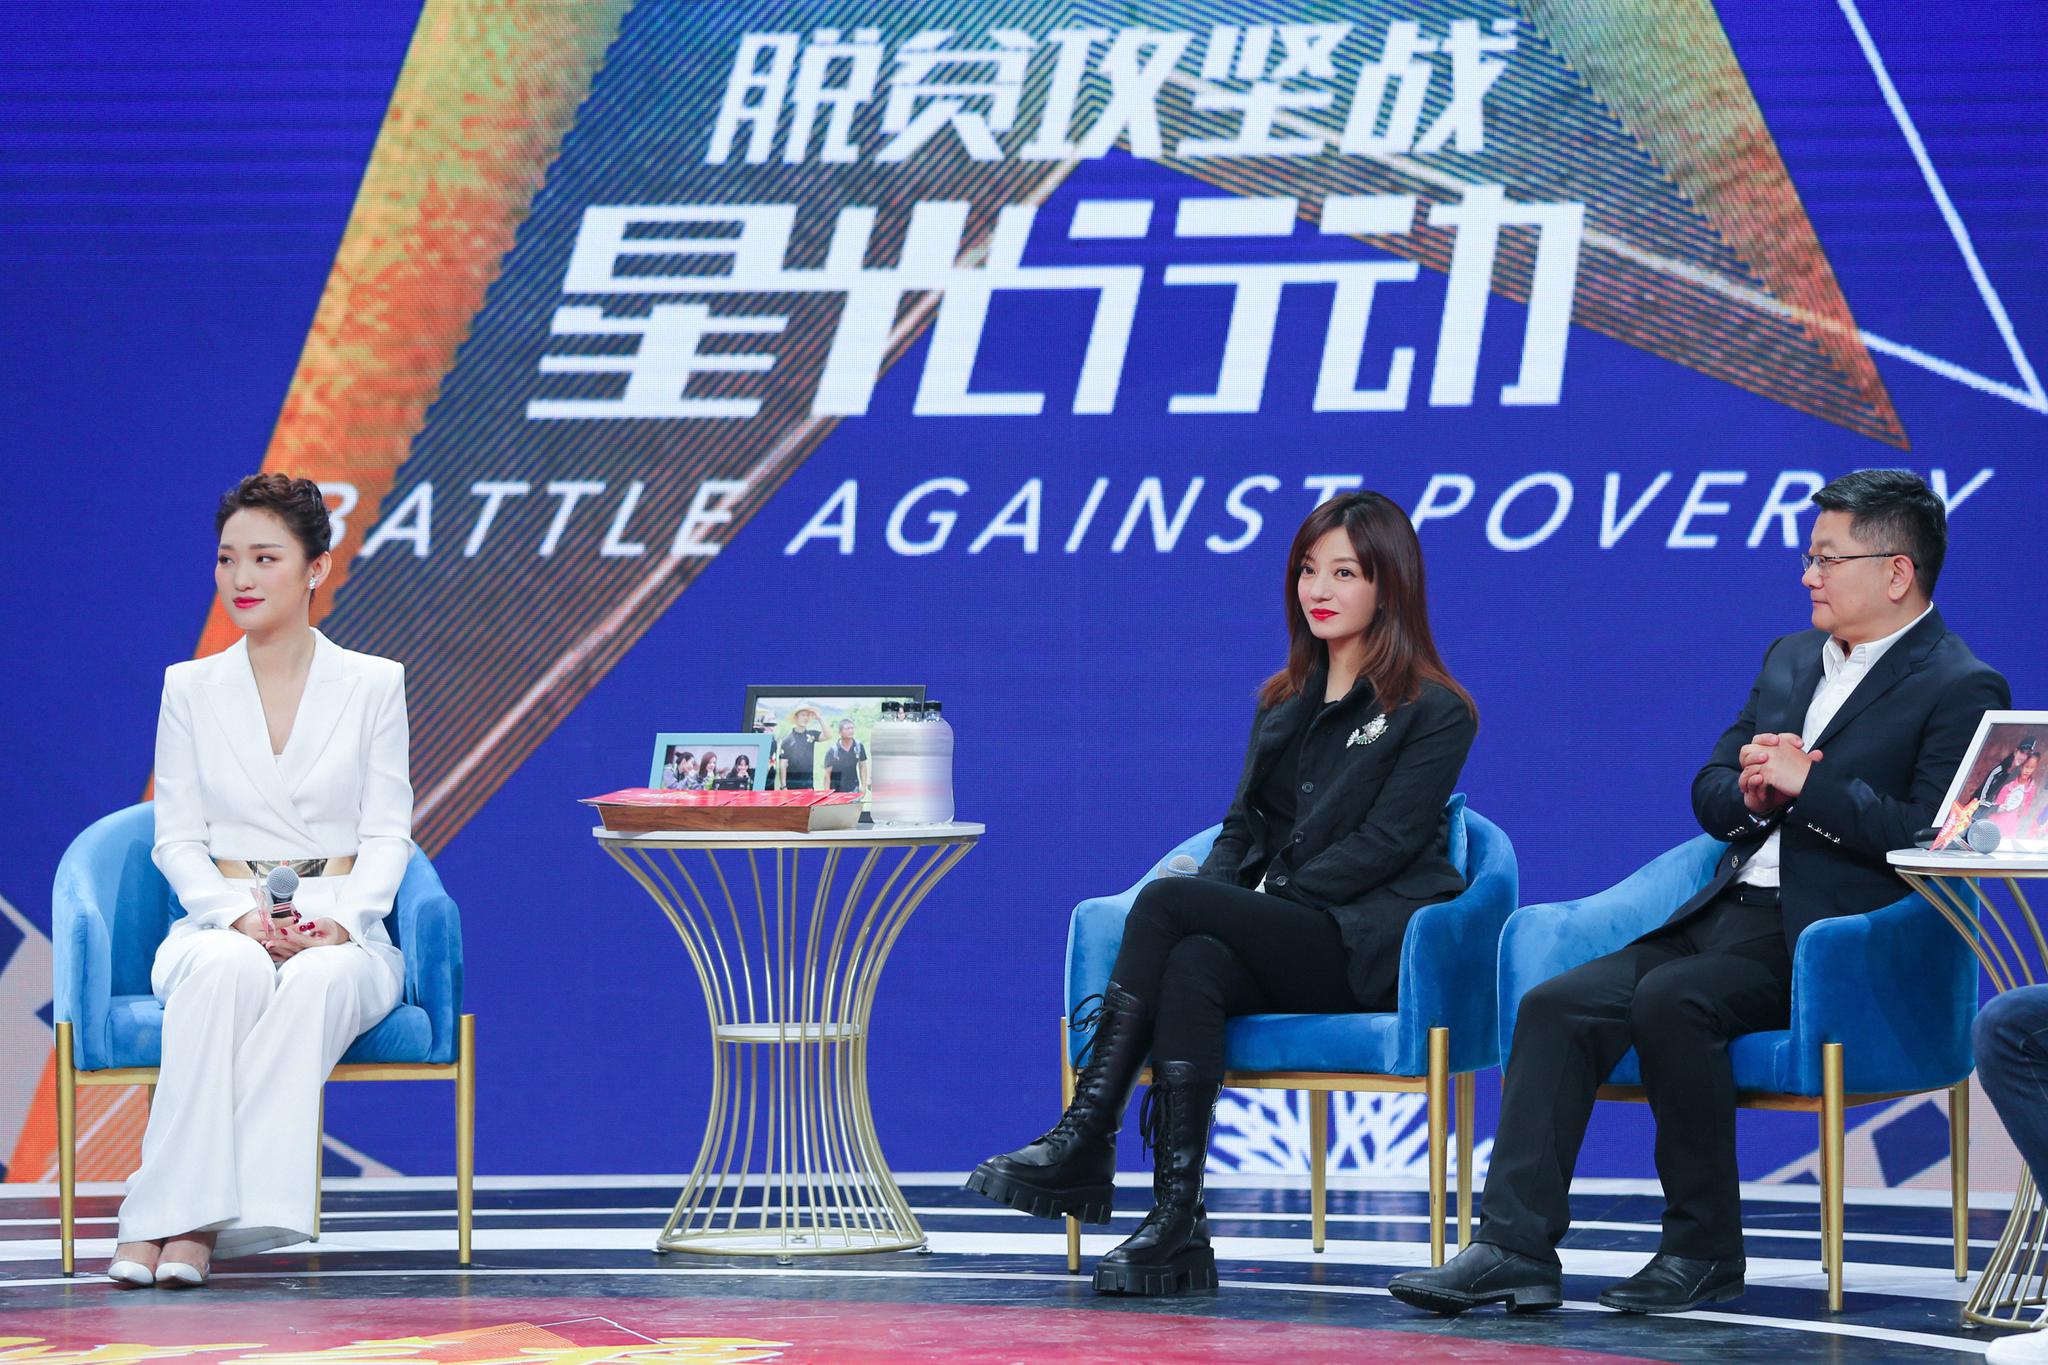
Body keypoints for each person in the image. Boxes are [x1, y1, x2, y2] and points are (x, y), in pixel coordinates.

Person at [1391, 469, 2008, 1317]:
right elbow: (1712, 783)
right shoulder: (1791, 657)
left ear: (1896, 571)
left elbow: (1930, 837)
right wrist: (1750, 795)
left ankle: (1702, 1248)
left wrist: (1808, 787)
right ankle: (1514, 1248)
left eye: (1827, 558)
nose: (1808, 575)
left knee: (1675, 1000)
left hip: (1834, 937)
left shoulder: (1960, 683)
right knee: (1556, 1004)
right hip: (1725, 908)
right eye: (1809, 557)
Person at [966, 491, 1478, 1297]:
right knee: (1193, 958)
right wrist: (1229, 899)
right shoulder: (1282, 703)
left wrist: (1266, 894)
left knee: (1169, 905)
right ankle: (1178, 1222)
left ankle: (1087, 1135)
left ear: (1390, 585)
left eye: (1345, 572)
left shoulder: (1435, 710)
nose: (1319, 589)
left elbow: (1387, 844)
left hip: (1358, 943)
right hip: (1279, 931)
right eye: (1308, 569)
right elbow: (1240, 829)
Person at [107, 473, 414, 1288]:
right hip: (220, 919)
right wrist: (233, 917)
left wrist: (345, 922)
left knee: (316, 980)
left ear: (316, 568)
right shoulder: (190, 686)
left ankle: (183, 1220)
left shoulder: (374, 682)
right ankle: (189, 1216)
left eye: (265, 557)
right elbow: (176, 839)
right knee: (225, 970)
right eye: (227, 558)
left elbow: (388, 833)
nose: (240, 577)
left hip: (344, 927)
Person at [1975, 737, 2038, 806]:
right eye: (2022, 752)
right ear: (2015, 752)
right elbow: (1985, 786)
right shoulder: (2001, 768)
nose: (2023, 757)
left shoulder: (2018, 775)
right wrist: (1982, 802)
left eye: (2027, 754)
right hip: (1977, 803)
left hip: (1993, 808)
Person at [779, 709, 823, 791]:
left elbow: (828, 735)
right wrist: (783, 786)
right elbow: (783, 764)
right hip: (791, 785)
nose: (805, 718)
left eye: (807, 715)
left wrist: (820, 718)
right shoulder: (787, 740)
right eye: (803, 715)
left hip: (808, 785)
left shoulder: (811, 735)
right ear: (796, 718)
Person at [824, 718, 869, 795]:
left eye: (852, 728)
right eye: (847, 728)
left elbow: (862, 766)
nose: (851, 730)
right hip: (836, 792)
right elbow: (827, 774)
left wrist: (863, 786)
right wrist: (827, 793)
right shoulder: (833, 751)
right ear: (840, 732)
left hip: (854, 789)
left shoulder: (858, 747)